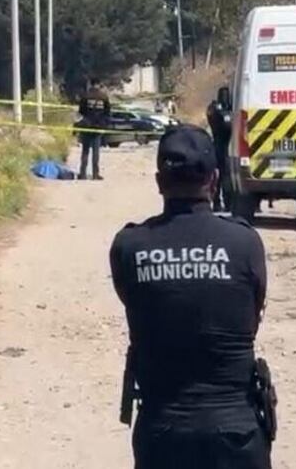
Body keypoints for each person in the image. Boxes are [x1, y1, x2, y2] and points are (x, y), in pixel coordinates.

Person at [110, 125, 273, 469]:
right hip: (236, 435)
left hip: (163, 433)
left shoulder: (129, 246)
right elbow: (252, 314)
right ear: (214, 181)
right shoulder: (244, 243)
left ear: (159, 182)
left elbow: (132, 300)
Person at [205, 85, 233, 212]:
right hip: (221, 146)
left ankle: (225, 203)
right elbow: (226, 125)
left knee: (225, 177)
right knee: (222, 177)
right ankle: (220, 203)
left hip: (225, 146)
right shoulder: (217, 109)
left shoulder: (221, 109)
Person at [78, 79, 111, 180]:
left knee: (85, 151)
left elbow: (81, 111)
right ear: (99, 84)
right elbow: (107, 112)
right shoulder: (104, 97)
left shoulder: (85, 96)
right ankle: (95, 174)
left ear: (90, 84)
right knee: (96, 152)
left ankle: (82, 174)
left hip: (87, 126)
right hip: (98, 126)